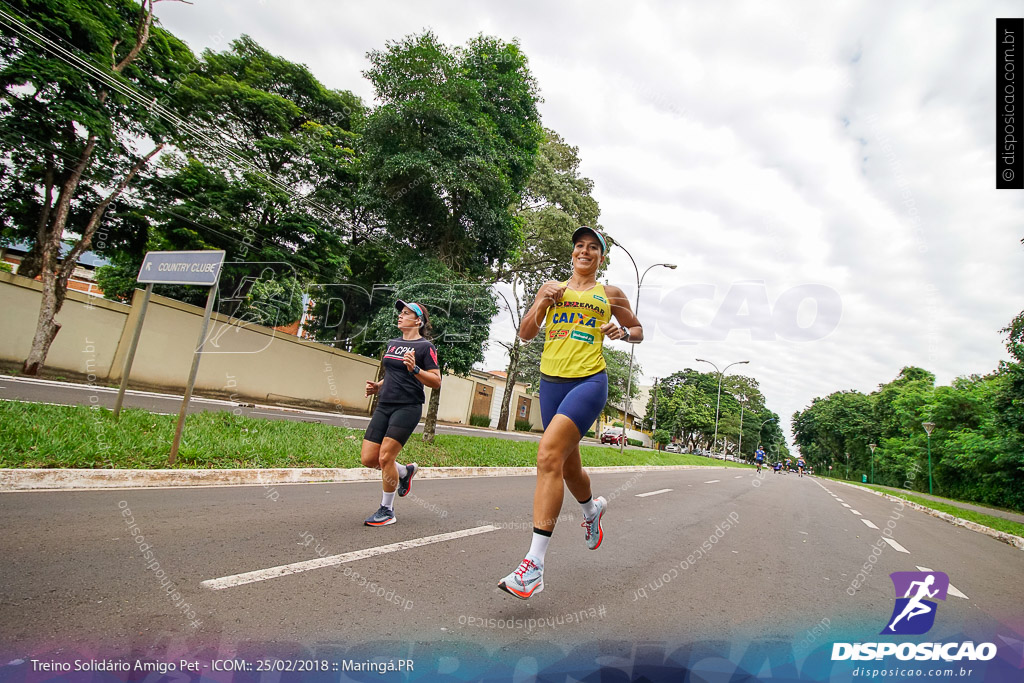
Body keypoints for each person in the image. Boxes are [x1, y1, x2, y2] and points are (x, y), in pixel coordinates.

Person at [498, 226, 643, 599]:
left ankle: (534, 566)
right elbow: (526, 334)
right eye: (580, 246)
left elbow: (638, 329)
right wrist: (543, 303)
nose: (585, 251)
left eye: (593, 248)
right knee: (567, 466)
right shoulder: (551, 287)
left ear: (601, 258)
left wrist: (622, 333)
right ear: (572, 253)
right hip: (551, 382)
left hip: (589, 382)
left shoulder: (610, 294)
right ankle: (592, 511)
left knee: (547, 455)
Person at [361, 301, 442, 526]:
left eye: (406, 313)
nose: (400, 316)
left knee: (385, 457)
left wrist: (415, 369)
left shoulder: (426, 347)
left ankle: (387, 510)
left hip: (408, 407)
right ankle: (404, 473)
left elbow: (436, 381)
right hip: (385, 404)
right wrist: (378, 386)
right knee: (369, 458)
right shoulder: (393, 343)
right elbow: (395, 374)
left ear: (418, 321)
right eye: (401, 312)